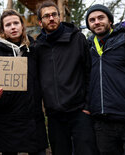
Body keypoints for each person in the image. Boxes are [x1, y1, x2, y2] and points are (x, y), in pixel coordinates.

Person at [34, 1, 98, 155]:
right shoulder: (38, 47)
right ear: (40, 22)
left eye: (54, 14)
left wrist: (87, 106)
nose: (51, 18)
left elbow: (89, 72)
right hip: (54, 116)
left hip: (79, 112)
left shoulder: (77, 39)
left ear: (59, 17)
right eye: (46, 16)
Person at [0, 9, 48, 155]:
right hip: (8, 119)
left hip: (32, 117)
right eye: (8, 25)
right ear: (2, 30)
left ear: (22, 26)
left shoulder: (33, 49)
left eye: (16, 23)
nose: (13, 27)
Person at [86, 4, 125, 155]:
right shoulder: (89, 48)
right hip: (102, 121)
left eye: (100, 18)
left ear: (110, 21)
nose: (96, 22)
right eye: (92, 20)